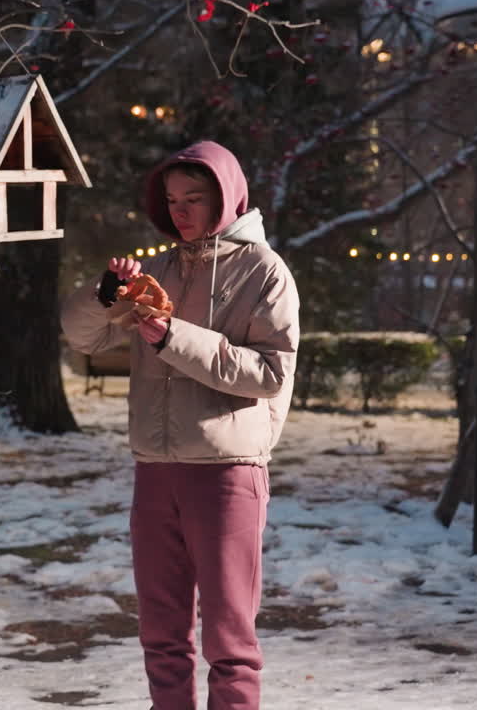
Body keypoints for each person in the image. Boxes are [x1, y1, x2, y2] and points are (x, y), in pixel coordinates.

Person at [61, 140, 299, 710]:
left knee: (229, 639)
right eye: (172, 200)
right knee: (161, 635)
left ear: (227, 196)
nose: (182, 211)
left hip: (226, 474)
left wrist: (172, 337)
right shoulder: (161, 267)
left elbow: (269, 374)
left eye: (195, 197)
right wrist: (104, 294)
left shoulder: (265, 271)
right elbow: (83, 336)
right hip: (155, 471)